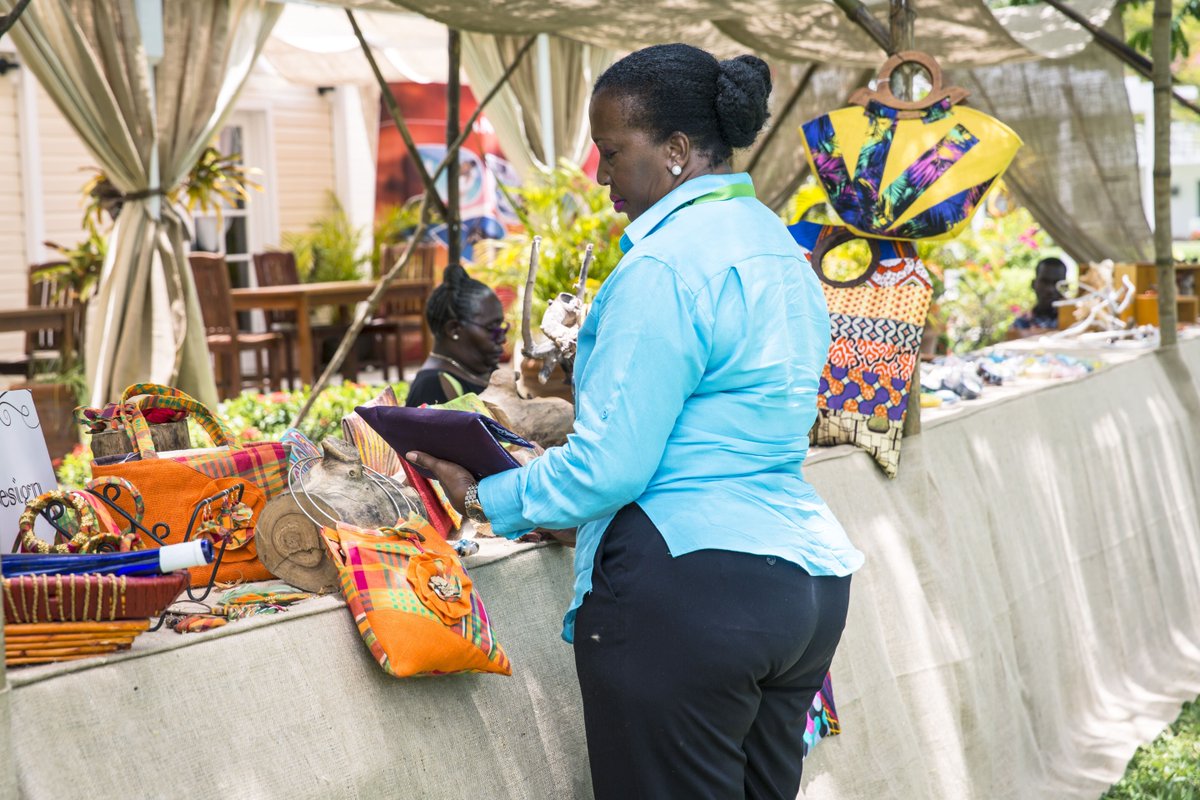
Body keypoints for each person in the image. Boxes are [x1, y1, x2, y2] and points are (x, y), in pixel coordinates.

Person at [407, 43, 862, 800]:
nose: (601, 174)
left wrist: (489, 494)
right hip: (803, 590)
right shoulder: (779, 251)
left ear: (677, 151)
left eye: (612, 151)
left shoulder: (661, 269)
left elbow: (611, 467)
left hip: (694, 593)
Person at [404, 264, 508, 407]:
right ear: (454, 330)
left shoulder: (483, 371)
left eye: (501, 327)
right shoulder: (432, 387)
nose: (502, 338)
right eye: (491, 328)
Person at [1009, 256, 1068, 338]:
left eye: (1057, 283)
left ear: (1066, 287)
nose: (1050, 289)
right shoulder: (1021, 323)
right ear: (1033, 284)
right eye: (1045, 282)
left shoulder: (1077, 321)